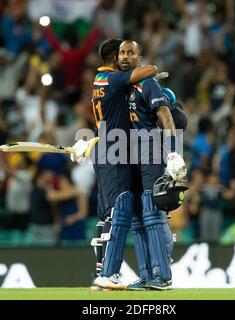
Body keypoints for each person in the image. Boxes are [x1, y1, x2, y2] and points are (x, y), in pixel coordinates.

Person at [70, 38, 160, 290]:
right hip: (115, 152)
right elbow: (150, 70)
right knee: (118, 210)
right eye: (122, 53)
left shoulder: (98, 82)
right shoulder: (113, 79)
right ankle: (108, 273)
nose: (125, 58)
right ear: (114, 58)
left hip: (104, 147)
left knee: (105, 214)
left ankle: (100, 276)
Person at [116, 40, 187, 290]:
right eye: (122, 52)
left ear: (139, 57)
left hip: (149, 153)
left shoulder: (148, 83)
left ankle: (162, 276)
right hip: (128, 156)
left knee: (151, 214)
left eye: (130, 53)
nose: (125, 56)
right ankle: (147, 276)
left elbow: (166, 116)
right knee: (137, 218)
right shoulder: (120, 85)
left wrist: (173, 153)